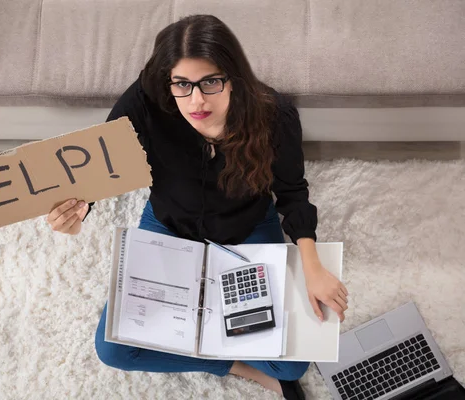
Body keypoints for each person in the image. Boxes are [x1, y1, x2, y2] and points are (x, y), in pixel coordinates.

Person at [46, 14, 349, 400]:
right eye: (182, 84)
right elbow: (103, 166)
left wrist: (312, 267)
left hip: (248, 229)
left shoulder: (275, 114)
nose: (197, 100)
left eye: (210, 81)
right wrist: (80, 209)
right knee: (114, 349)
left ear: (233, 76)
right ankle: (238, 368)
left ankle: (241, 358)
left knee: (292, 364)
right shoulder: (145, 100)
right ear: (168, 81)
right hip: (168, 224)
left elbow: (292, 193)